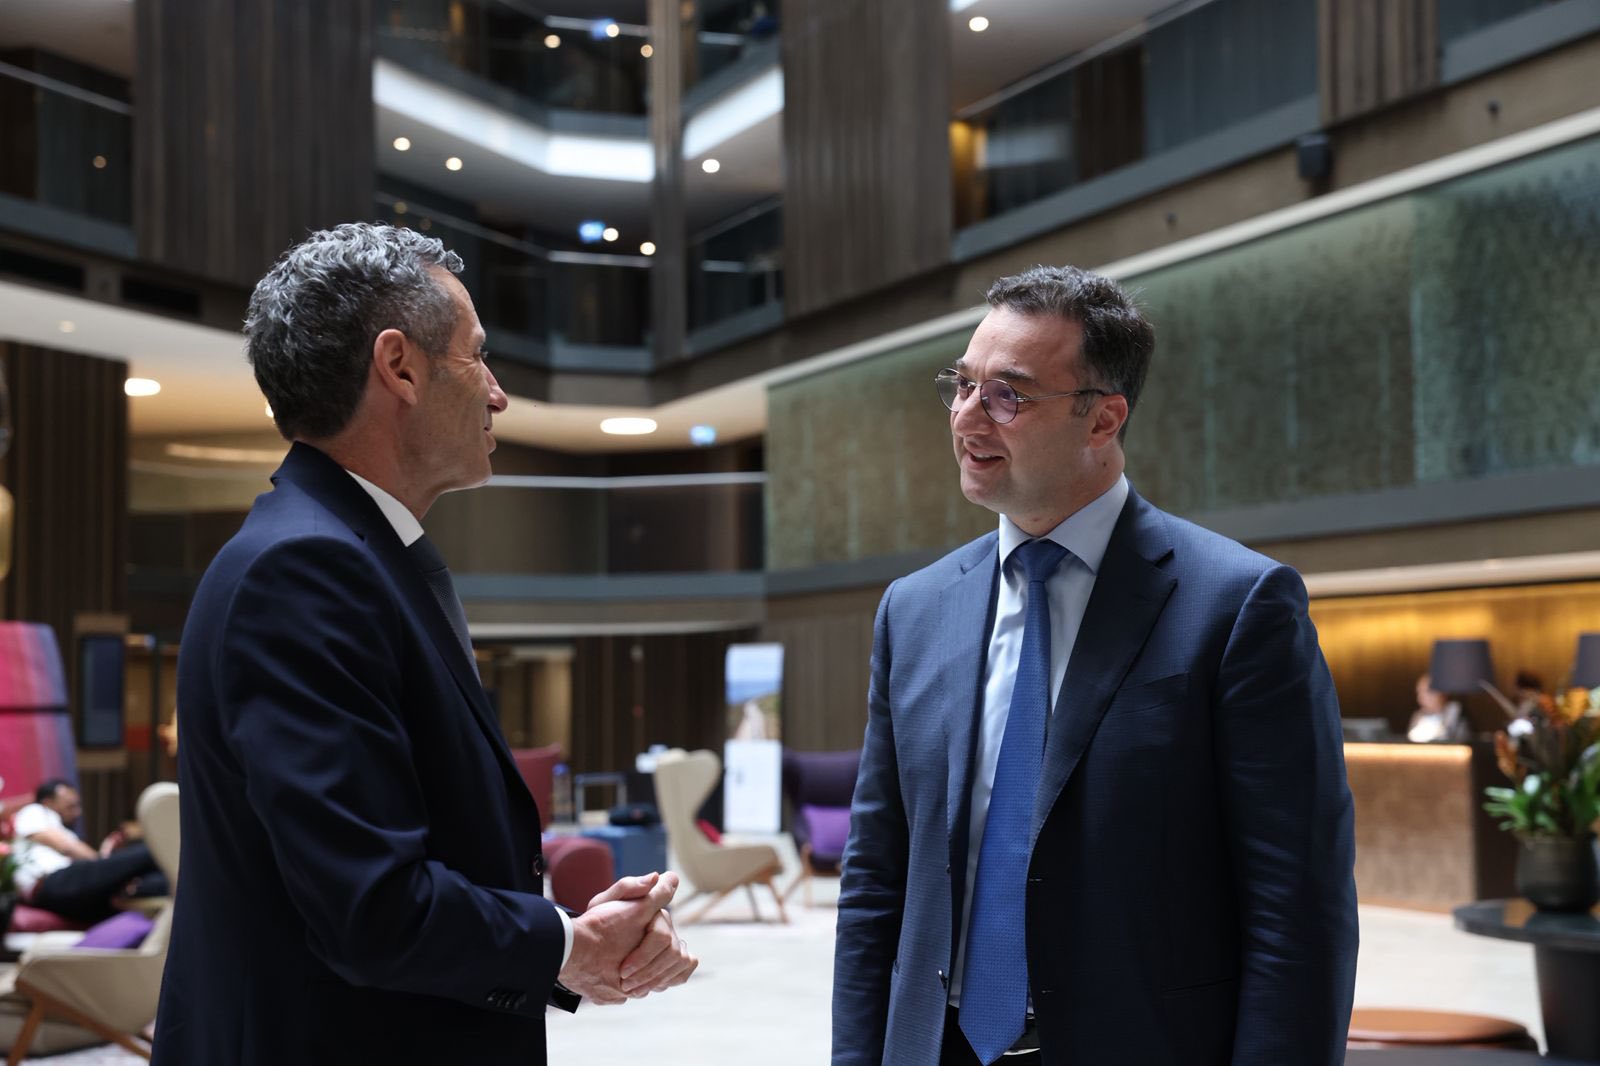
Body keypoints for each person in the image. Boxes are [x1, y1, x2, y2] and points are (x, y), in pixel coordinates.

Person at [152, 224, 697, 1066]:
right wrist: (567, 944)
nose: (498, 394)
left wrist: (565, 933)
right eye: (477, 357)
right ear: (399, 367)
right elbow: (369, 905)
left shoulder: (347, 555)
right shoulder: (306, 570)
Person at [832, 266, 1358, 1065]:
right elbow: (877, 877)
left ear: (1103, 419)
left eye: (1007, 395)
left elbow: (1297, 906)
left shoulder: (1239, 607)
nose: (967, 416)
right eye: (961, 386)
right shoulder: (914, 609)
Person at [12, 779, 166, 923]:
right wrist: (104, 861)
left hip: (74, 891)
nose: (77, 812)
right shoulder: (34, 811)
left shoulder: (63, 829)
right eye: (70, 806)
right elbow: (66, 846)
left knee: (157, 883)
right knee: (151, 851)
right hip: (51, 884)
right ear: (48, 803)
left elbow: (85, 866)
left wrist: (106, 857)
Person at [1407, 674, 1468, 742]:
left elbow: (1461, 742)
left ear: (1442, 692)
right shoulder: (1418, 716)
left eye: (1427, 692)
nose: (1420, 698)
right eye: (1419, 693)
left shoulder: (1456, 714)